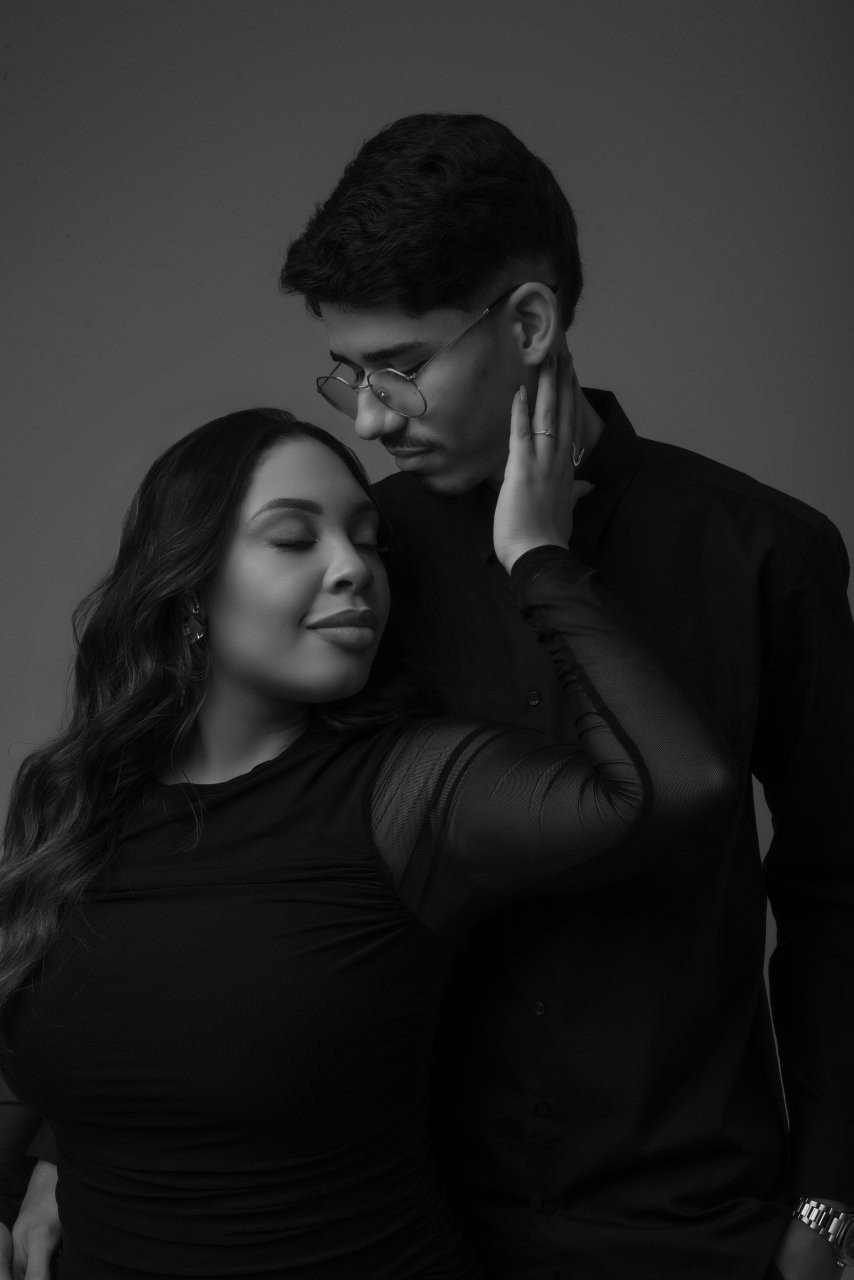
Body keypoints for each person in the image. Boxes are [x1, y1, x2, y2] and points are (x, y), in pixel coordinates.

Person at [277, 115, 854, 1279]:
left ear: (529, 324)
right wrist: (62, 1143)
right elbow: (232, 840)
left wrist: (829, 1196)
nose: (368, 417)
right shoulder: (361, 561)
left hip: (694, 1225)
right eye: (347, 373)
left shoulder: (761, 550)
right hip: (399, 1223)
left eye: (398, 366)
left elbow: (840, 890)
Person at [0, 396, 735, 1278]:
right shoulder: (69, 797)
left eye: (370, 541)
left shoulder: (407, 791)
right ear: (189, 587)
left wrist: (537, 555)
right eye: (293, 538)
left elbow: (675, 786)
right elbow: (43, 1039)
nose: (354, 568)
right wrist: (40, 1168)